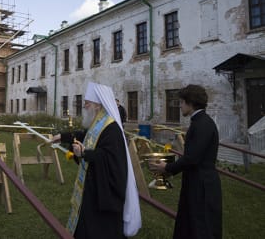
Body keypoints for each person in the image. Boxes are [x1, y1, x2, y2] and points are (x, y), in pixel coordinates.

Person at [54, 82, 141, 238]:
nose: (84, 107)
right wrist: (63, 137)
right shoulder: (98, 124)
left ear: (97, 105)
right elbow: (84, 136)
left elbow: (108, 158)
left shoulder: (111, 128)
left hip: (105, 191)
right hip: (93, 186)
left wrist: (85, 154)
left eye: (87, 104)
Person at [149, 84, 222, 239]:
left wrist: (167, 167)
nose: (180, 106)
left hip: (203, 185)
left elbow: (192, 158)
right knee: (190, 224)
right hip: (196, 181)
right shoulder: (199, 121)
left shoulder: (202, 124)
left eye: (181, 102)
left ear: (190, 102)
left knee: (200, 226)